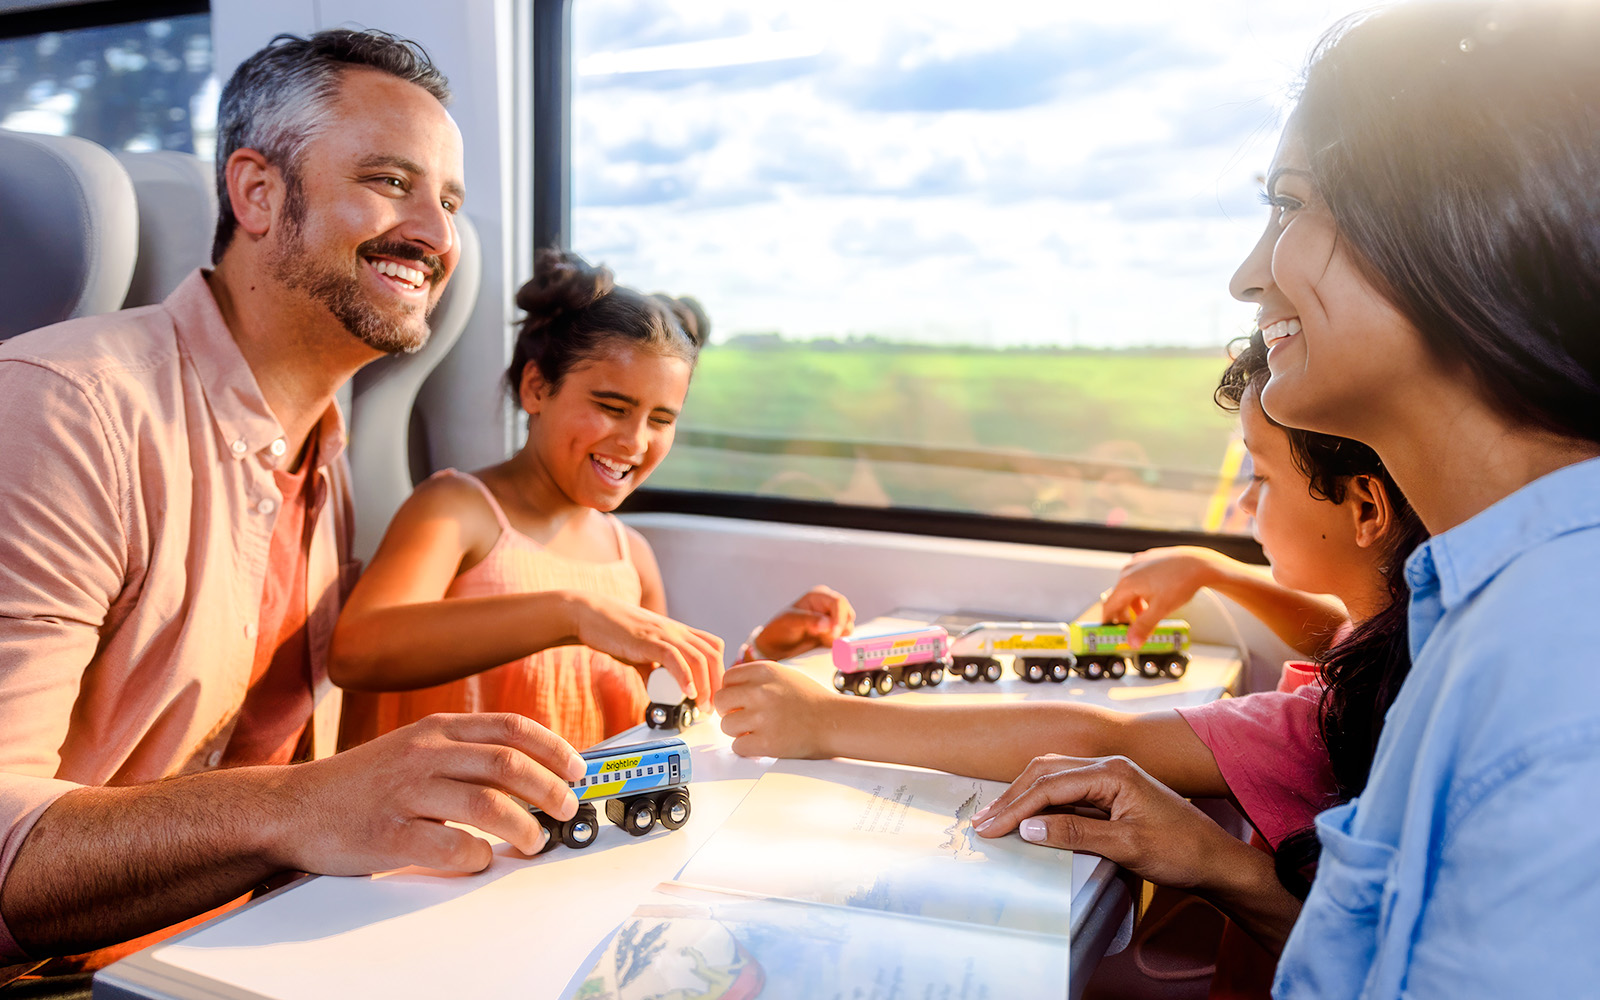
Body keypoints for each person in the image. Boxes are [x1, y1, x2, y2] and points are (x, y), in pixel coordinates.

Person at [0, 31, 715, 975]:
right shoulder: (65, 409)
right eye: (390, 181)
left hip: (266, 931)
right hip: (88, 973)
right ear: (257, 193)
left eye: (448, 202)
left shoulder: (323, 450)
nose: (439, 236)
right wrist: (311, 803)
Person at [990, 3, 1600, 995]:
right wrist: (1222, 866)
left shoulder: (1556, 672)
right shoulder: (1469, 611)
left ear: (1466, 225)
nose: (1246, 277)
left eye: (1288, 204)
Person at [715, 331, 1426, 977]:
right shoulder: (1399, 633)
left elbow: (1095, 740)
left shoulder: (1333, 717)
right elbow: (1342, 624)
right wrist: (1217, 571)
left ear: (1365, 509)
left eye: (1261, 478)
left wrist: (826, 720)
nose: (1242, 505)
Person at [331, 248, 855, 750]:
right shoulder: (457, 509)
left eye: (661, 420)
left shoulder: (632, 558)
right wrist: (572, 614)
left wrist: (761, 654)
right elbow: (358, 652)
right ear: (537, 388)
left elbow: (665, 716)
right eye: (612, 407)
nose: (635, 442)